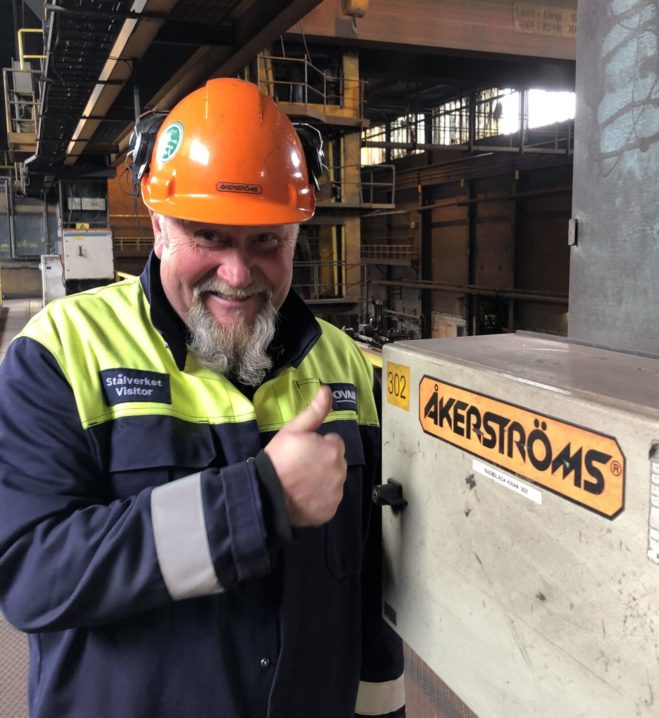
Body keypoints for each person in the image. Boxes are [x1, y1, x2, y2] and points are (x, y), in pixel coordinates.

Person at [0, 78, 404, 718]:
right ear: (158, 226)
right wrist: (257, 501)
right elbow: (31, 574)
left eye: (266, 240)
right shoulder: (62, 352)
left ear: (296, 234)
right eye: (208, 235)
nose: (238, 274)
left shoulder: (343, 366)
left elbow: (371, 599)